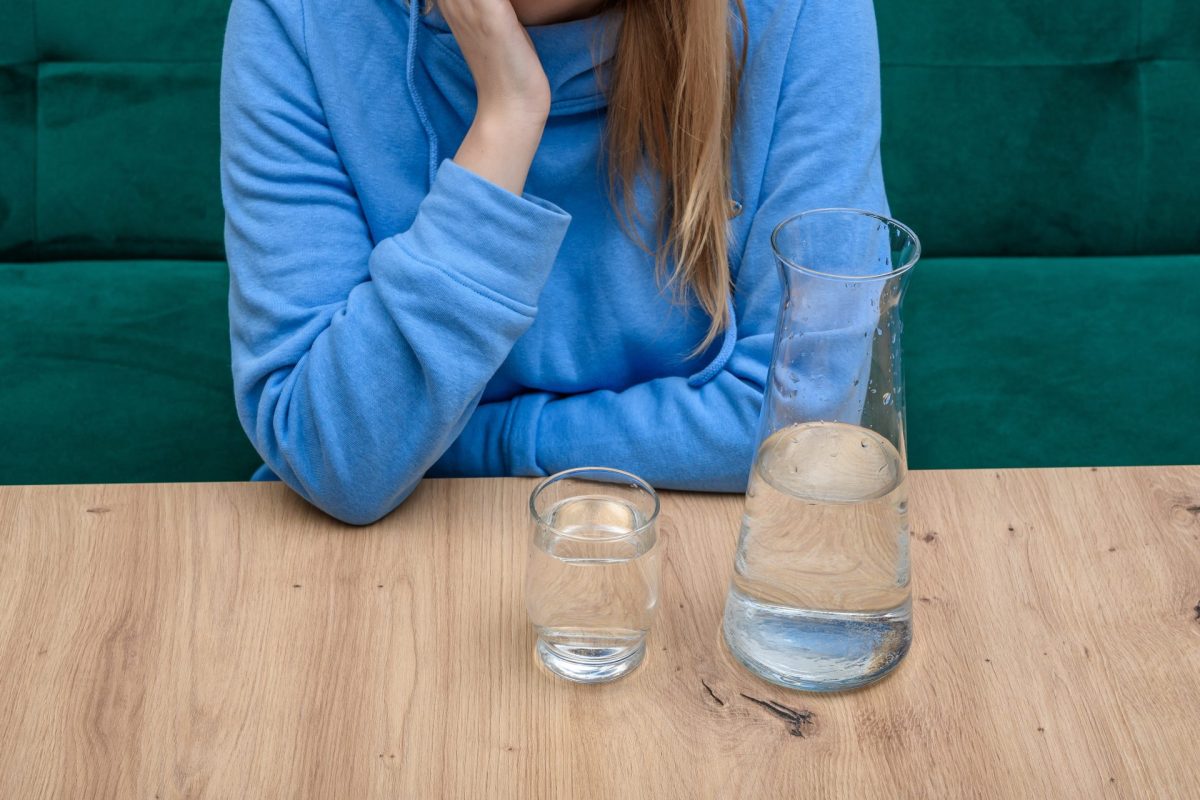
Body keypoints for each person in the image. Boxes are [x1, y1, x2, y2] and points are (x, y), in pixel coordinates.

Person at [219, 0, 889, 525]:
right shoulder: (299, 17)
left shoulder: (803, 13)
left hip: (697, 558)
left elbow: (803, 420)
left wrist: (494, 440)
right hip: (375, 571)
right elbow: (334, 455)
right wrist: (507, 118)